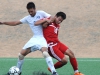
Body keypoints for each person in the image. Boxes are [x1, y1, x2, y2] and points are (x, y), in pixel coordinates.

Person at [0, 2, 58, 75]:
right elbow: (15, 22)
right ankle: (18, 72)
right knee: (20, 55)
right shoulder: (27, 18)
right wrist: (3, 22)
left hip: (42, 38)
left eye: (32, 11)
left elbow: (52, 17)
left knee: (45, 53)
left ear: (35, 9)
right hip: (34, 38)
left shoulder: (41, 13)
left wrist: (48, 21)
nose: (30, 13)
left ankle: (54, 72)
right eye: (29, 11)